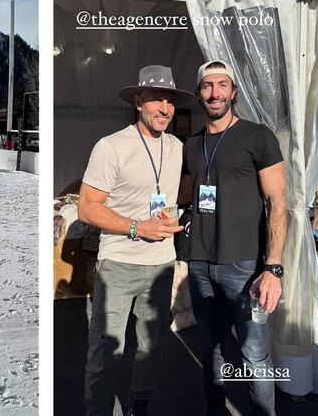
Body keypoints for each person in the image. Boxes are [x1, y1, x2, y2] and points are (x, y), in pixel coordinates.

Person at [80, 65, 191, 416]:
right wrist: (135, 227)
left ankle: (138, 405)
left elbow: (175, 194)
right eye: (156, 98)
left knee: (151, 348)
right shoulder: (111, 146)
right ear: (138, 102)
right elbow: (86, 208)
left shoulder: (176, 147)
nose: (164, 107)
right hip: (117, 264)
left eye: (170, 100)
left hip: (161, 265)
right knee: (105, 352)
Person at [179, 61, 287, 416]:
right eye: (208, 86)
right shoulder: (191, 146)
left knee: (253, 353)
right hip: (199, 264)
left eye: (222, 85)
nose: (215, 93)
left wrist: (273, 268)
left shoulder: (258, 136)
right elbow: (182, 198)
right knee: (210, 346)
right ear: (199, 94)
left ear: (234, 92)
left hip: (244, 266)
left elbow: (277, 203)